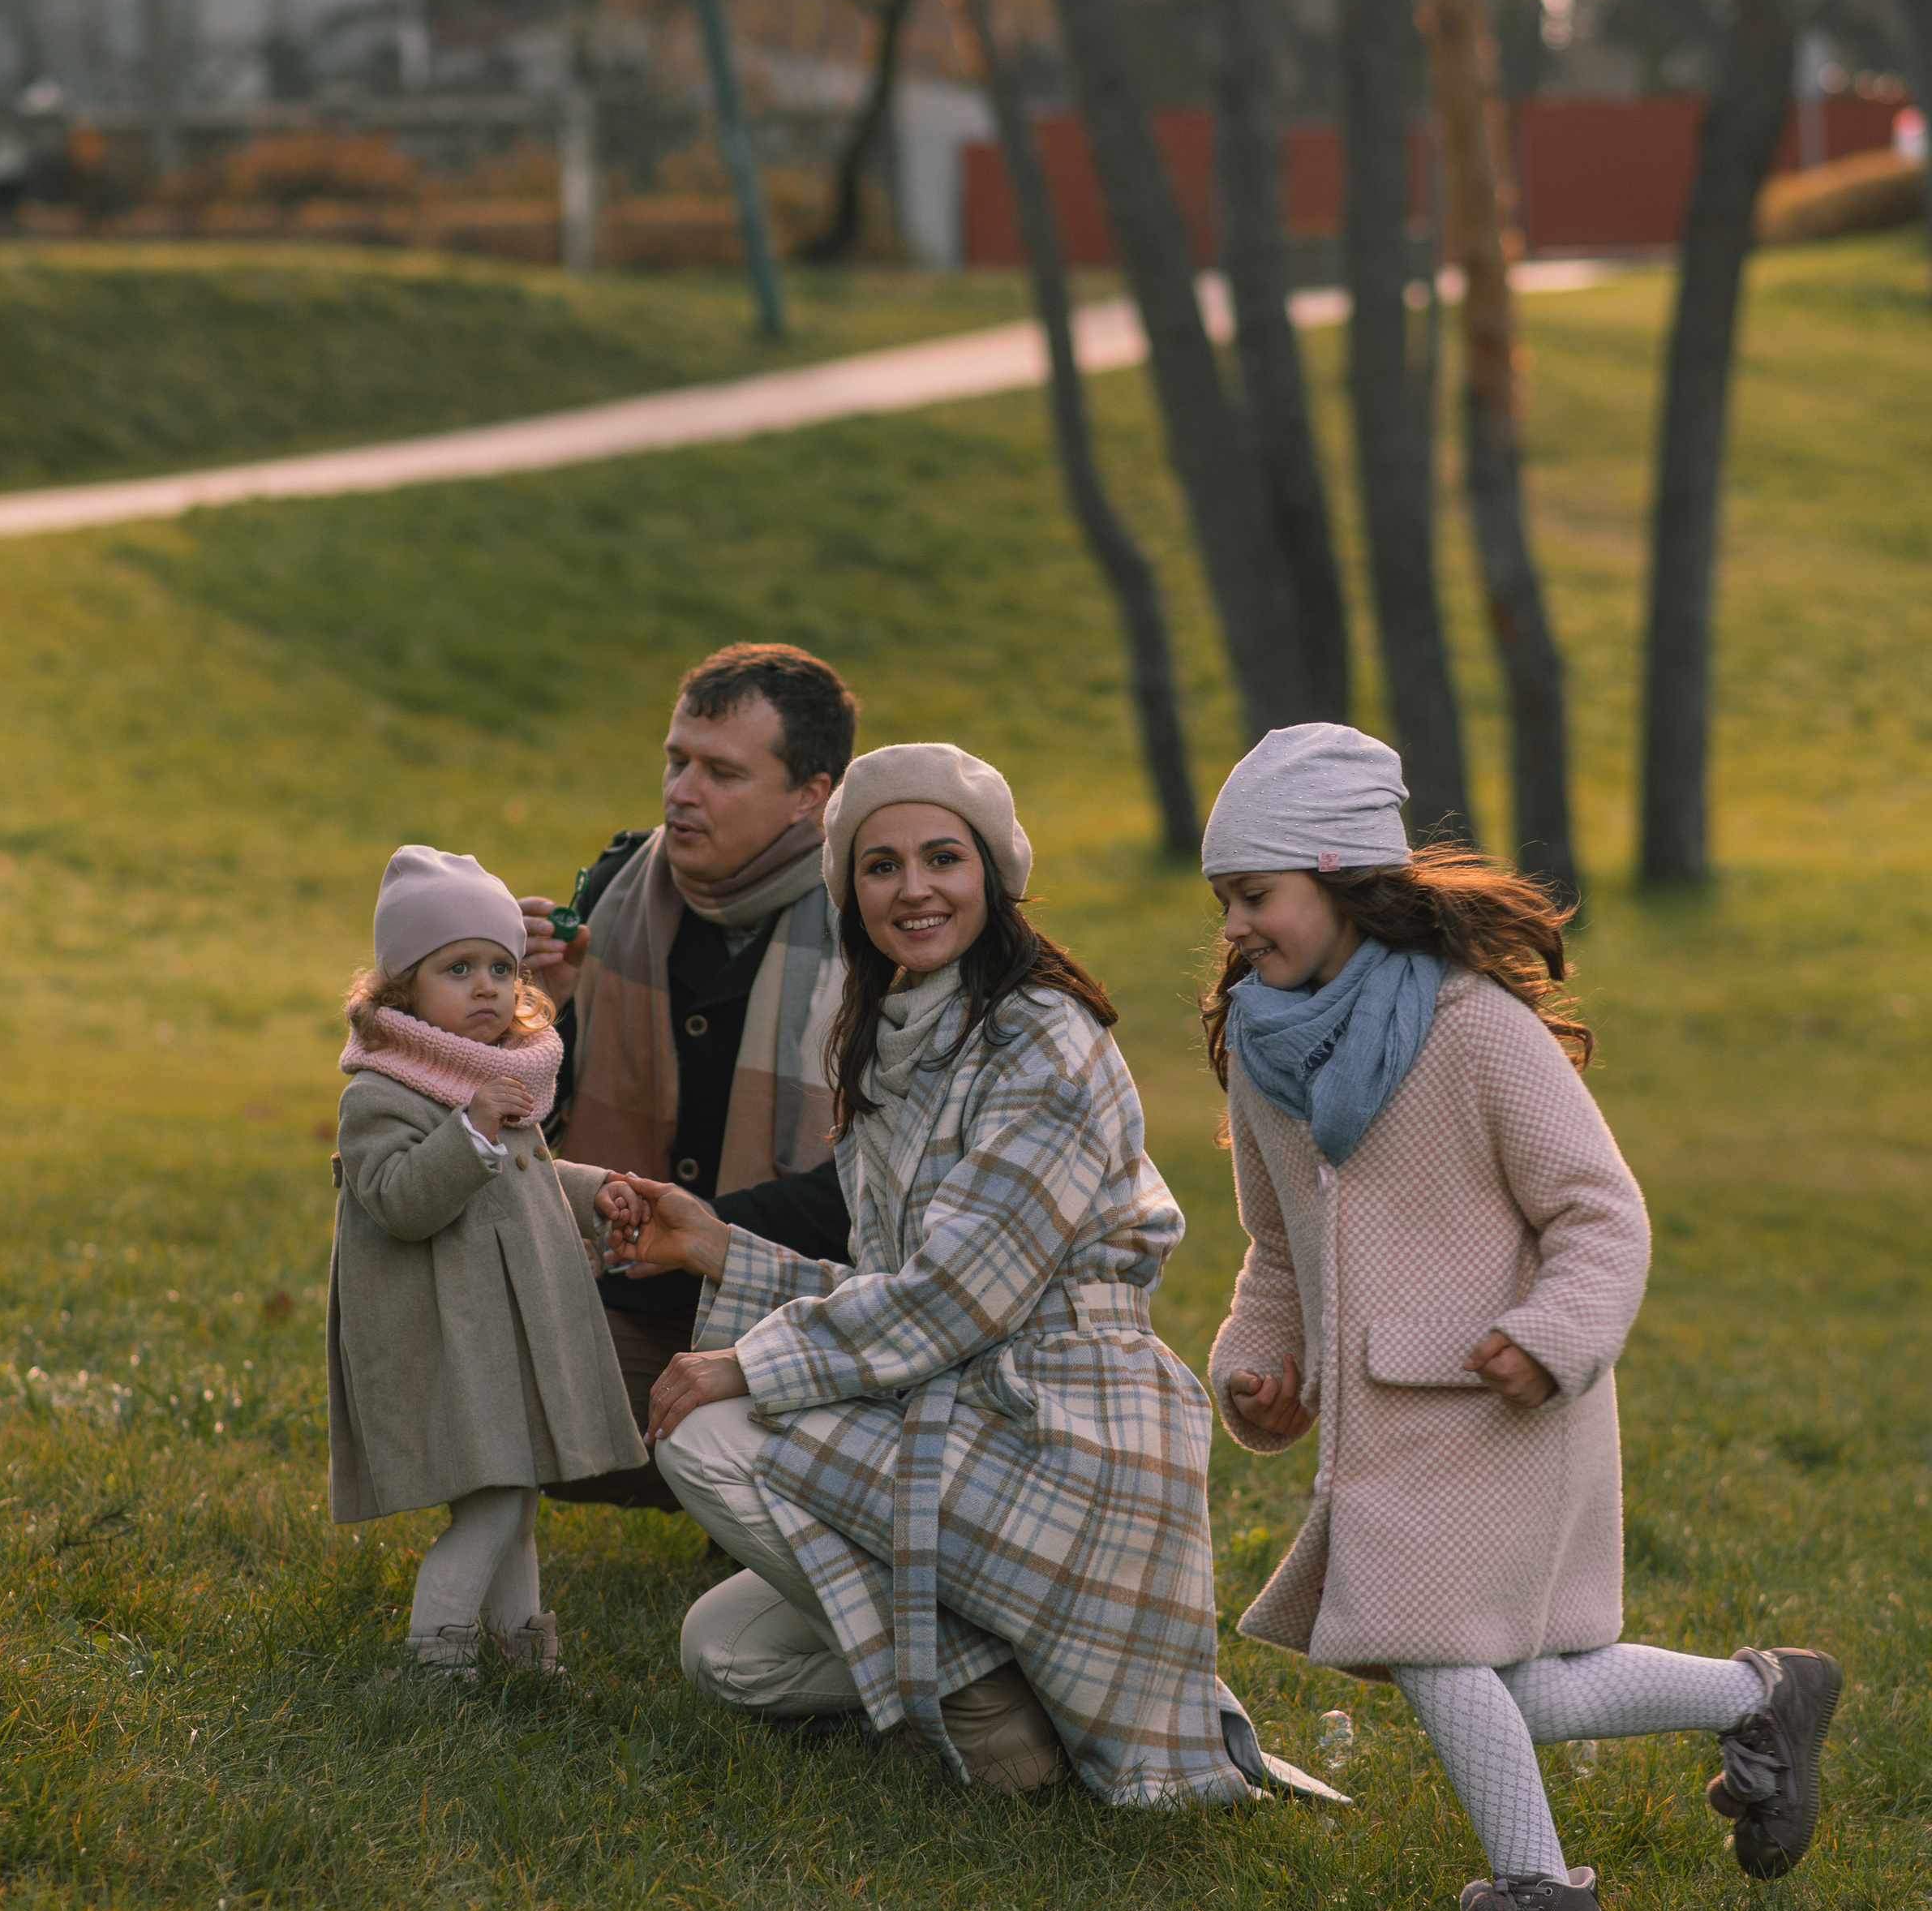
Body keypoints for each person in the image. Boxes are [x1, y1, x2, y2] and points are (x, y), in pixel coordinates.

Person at [1202, 721, 1844, 1911]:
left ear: (1342, 880)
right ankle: (1764, 1693)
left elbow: (1598, 1212)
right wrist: (1253, 1367)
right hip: (1384, 1428)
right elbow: (1278, 1248)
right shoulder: (1264, 1050)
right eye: (1225, 899)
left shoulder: (1471, 1026)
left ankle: (1544, 1903)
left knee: (1427, 1642)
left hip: (1501, 1408)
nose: (1236, 924)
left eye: (1256, 894)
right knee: (1521, 1686)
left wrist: (1551, 1336)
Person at [607, 741, 1278, 1807]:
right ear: (850, 889)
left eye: (942, 858)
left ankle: (987, 1715)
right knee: (725, 1649)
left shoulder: (1041, 1037)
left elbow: (959, 1297)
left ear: (993, 872)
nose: (913, 888)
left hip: (1064, 1424)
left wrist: (748, 1359)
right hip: (965, 1396)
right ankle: (1017, 1682)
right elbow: (904, 1283)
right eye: (880, 866)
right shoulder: (893, 1033)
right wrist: (716, 1248)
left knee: (703, 1426)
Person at [517, 643, 857, 1495]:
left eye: (722, 773)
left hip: (807, 1314)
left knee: (781, 1469)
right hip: (628, 1297)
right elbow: (512, 1139)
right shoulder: (614, 891)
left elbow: (878, 1183)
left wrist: (709, 1233)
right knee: (471, 1369)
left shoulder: (881, 929)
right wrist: (535, 1016)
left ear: (811, 797)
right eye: (675, 760)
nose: (681, 792)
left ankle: (764, 1482)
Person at [326, 844, 650, 1674]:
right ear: (401, 989)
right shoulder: (381, 1091)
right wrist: (468, 1130)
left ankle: (523, 1653)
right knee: (496, 1499)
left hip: (505, 1336)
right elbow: (398, 1199)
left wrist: (591, 1192)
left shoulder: (496, 1078)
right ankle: (436, 1653)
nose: (486, 987)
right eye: (457, 967)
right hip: (446, 1343)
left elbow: (523, 1172)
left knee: (518, 1497)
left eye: (502, 968)